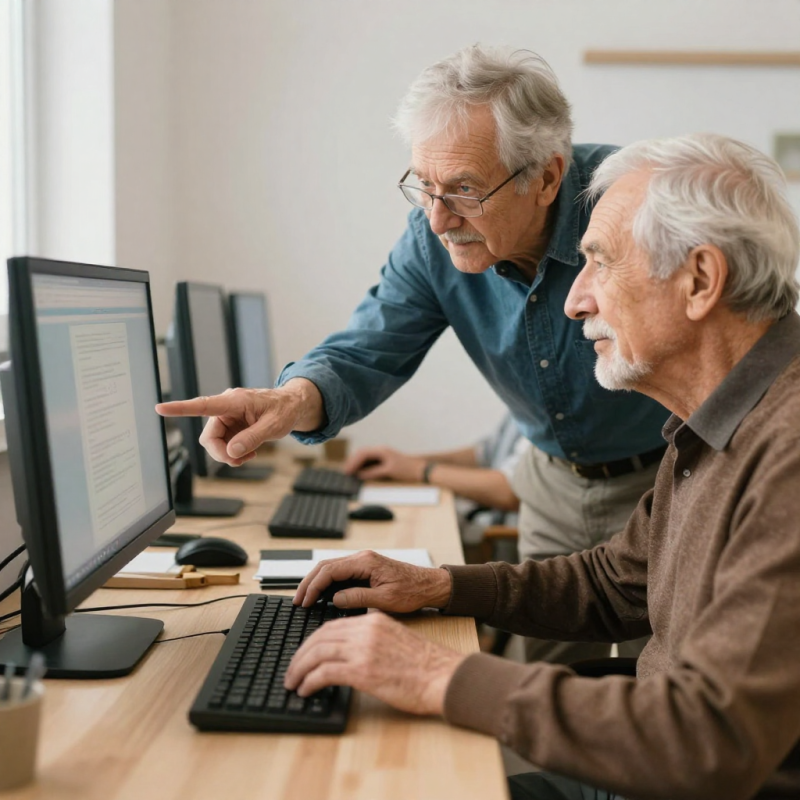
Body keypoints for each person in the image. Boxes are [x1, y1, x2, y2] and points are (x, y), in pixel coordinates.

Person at [282, 134, 800, 800]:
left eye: (599, 264)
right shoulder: (723, 414)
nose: (573, 300)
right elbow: (619, 583)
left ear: (700, 280)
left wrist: (437, 676)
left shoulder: (786, 454)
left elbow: (706, 740)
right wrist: (437, 586)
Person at [156, 45, 669, 665]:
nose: (436, 219)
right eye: (422, 187)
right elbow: (369, 347)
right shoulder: (432, 243)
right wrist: (291, 400)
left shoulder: (631, 209)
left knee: (664, 682)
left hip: (665, 478)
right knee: (549, 685)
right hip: (551, 485)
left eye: (463, 189)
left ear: (547, 177)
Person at [345, 413, 526, 556]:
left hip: (501, 546)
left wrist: (418, 470)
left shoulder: (547, 412)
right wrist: (402, 463)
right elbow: (483, 454)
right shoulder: (523, 401)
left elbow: (514, 491)